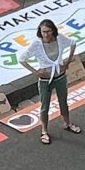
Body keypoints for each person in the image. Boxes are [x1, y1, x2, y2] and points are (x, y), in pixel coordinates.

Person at [23, 16, 79, 144]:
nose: (46, 34)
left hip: (60, 76)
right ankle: (44, 131)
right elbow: (22, 59)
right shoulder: (37, 44)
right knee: (45, 106)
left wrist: (68, 61)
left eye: (48, 31)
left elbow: (73, 43)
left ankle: (67, 123)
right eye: (43, 32)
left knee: (63, 101)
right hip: (45, 80)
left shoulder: (60, 39)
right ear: (40, 32)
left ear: (53, 30)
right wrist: (36, 72)